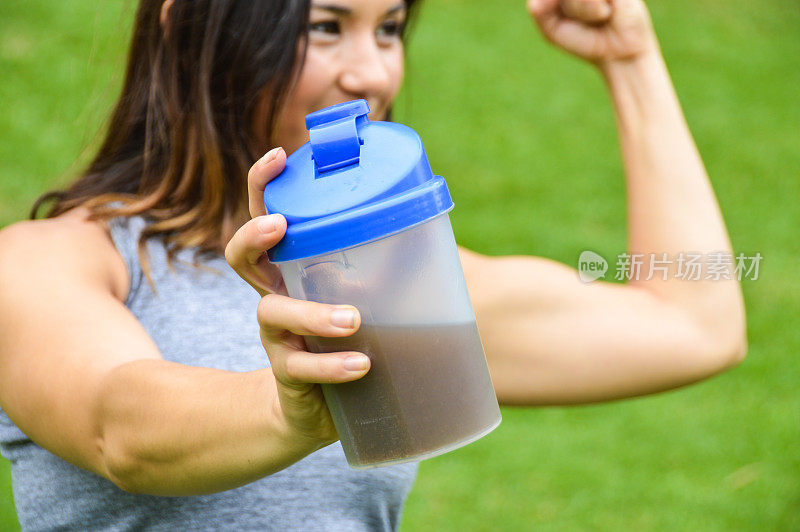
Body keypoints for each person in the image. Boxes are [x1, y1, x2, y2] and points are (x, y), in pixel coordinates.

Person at [0, 0, 747, 530]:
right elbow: (120, 431)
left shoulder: (399, 281)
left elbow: (693, 322)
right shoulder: (44, 264)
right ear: (188, 19)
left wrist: (633, 60)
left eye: (389, 28)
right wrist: (288, 409)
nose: (372, 74)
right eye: (326, 26)